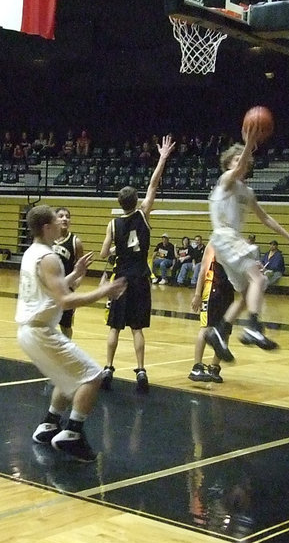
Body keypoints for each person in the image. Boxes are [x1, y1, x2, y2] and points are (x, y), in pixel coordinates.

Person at [18, 205, 128, 462]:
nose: (62, 224)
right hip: (41, 332)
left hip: (28, 331)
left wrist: (76, 274)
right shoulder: (49, 257)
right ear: (47, 227)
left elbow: (49, 288)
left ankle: (49, 424)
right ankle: (72, 433)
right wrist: (103, 291)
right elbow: (65, 301)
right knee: (93, 376)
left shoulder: (32, 252)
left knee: (65, 377)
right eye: (57, 221)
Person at [204, 119, 289, 360]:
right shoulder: (226, 181)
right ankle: (253, 327)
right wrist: (250, 140)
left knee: (249, 290)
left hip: (229, 243)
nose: (240, 163)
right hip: (225, 237)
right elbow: (239, 167)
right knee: (259, 278)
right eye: (235, 160)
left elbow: (265, 217)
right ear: (228, 164)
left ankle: (219, 332)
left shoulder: (247, 192)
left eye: (243, 160)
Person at [99, 135, 176, 393]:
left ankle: (108, 368)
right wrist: (162, 158)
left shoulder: (113, 224)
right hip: (141, 277)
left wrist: (114, 248)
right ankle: (141, 370)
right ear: (136, 200)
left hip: (120, 279)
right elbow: (153, 184)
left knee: (114, 327)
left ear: (119, 204)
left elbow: (103, 254)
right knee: (137, 328)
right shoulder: (143, 214)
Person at [188, 242, 235, 383]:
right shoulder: (214, 242)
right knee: (206, 327)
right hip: (212, 290)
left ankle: (214, 367)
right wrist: (197, 294)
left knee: (225, 331)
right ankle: (197, 366)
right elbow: (203, 269)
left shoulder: (235, 243)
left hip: (228, 292)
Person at [52, 206, 86, 338]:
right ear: (54, 220)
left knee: (66, 325)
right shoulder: (47, 239)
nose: (65, 219)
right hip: (48, 288)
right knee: (45, 323)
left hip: (66, 289)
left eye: (67, 216)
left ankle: (67, 347)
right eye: (61, 216)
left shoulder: (75, 242)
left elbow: (82, 265)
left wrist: (78, 281)